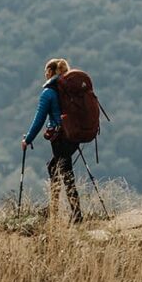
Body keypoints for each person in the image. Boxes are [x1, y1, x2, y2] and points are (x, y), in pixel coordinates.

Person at [21, 58, 82, 223]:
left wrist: (28, 138)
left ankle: (75, 215)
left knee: (66, 173)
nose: (44, 74)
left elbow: (39, 119)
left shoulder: (48, 93)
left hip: (60, 138)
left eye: (46, 71)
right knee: (55, 167)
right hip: (74, 136)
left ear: (51, 72)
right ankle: (56, 210)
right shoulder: (69, 90)